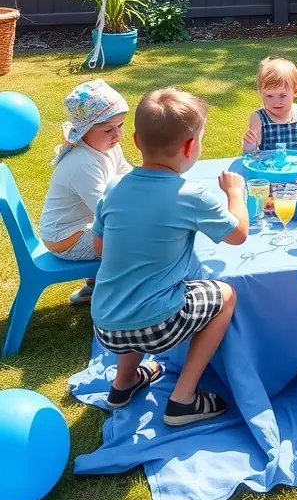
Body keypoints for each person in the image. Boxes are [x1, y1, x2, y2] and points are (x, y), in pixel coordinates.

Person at [91, 88, 248, 427]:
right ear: (191, 147)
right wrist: (236, 194)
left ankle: (123, 383)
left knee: (137, 291)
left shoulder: (114, 187)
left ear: (134, 139)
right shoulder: (192, 195)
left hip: (106, 325)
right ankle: (183, 398)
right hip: (157, 327)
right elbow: (238, 235)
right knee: (226, 295)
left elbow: (101, 250)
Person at [39, 79, 131, 305]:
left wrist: (149, 185)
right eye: (109, 129)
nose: (117, 135)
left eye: (121, 125)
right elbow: (108, 211)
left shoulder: (108, 147)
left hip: (81, 228)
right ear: (84, 131)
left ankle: (95, 285)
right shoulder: (83, 164)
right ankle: (115, 294)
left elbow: (126, 173)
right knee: (135, 239)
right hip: (66, 239)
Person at [242, 56, 297, 154]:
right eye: (269, 96)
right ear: (261, 93)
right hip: (269, 168)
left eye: (283, 95)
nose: (276, 101)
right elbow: (251, 155)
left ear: (296, 91)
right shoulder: (259, 118)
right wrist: (250, 146)